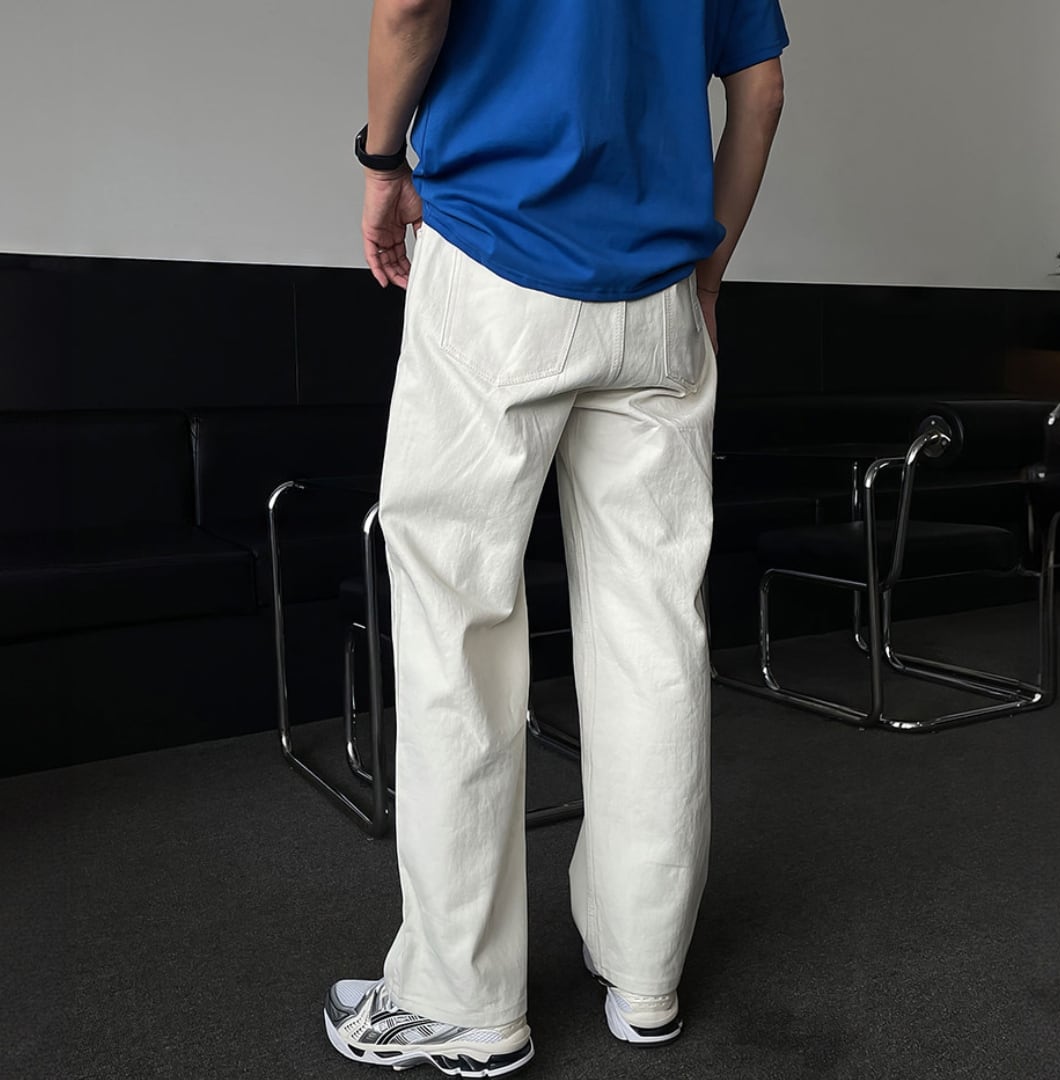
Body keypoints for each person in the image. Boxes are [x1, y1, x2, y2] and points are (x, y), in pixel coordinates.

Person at [325, 1, 788, 1073]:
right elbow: (760, 90)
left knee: (457, 628)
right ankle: (646, 972)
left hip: (497, 262)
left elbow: (411, 7)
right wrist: (707, 272)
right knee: (652, 631)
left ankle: (462, 998)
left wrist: (382, 162)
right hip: (659, 293)